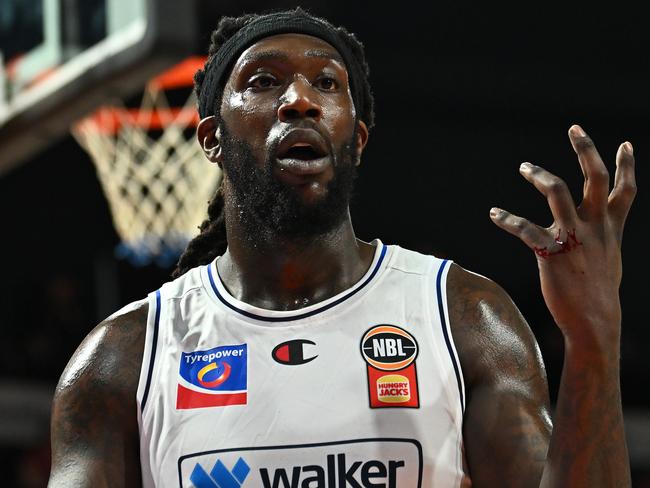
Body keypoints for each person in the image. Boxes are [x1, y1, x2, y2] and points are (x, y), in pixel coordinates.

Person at [47, 8, 636, 488]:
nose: (299, 99)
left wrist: (592, 340)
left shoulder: (464, 318)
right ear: (211, 138)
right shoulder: (123, 359)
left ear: (355, 135)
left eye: (327, 83)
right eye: (263, 81)